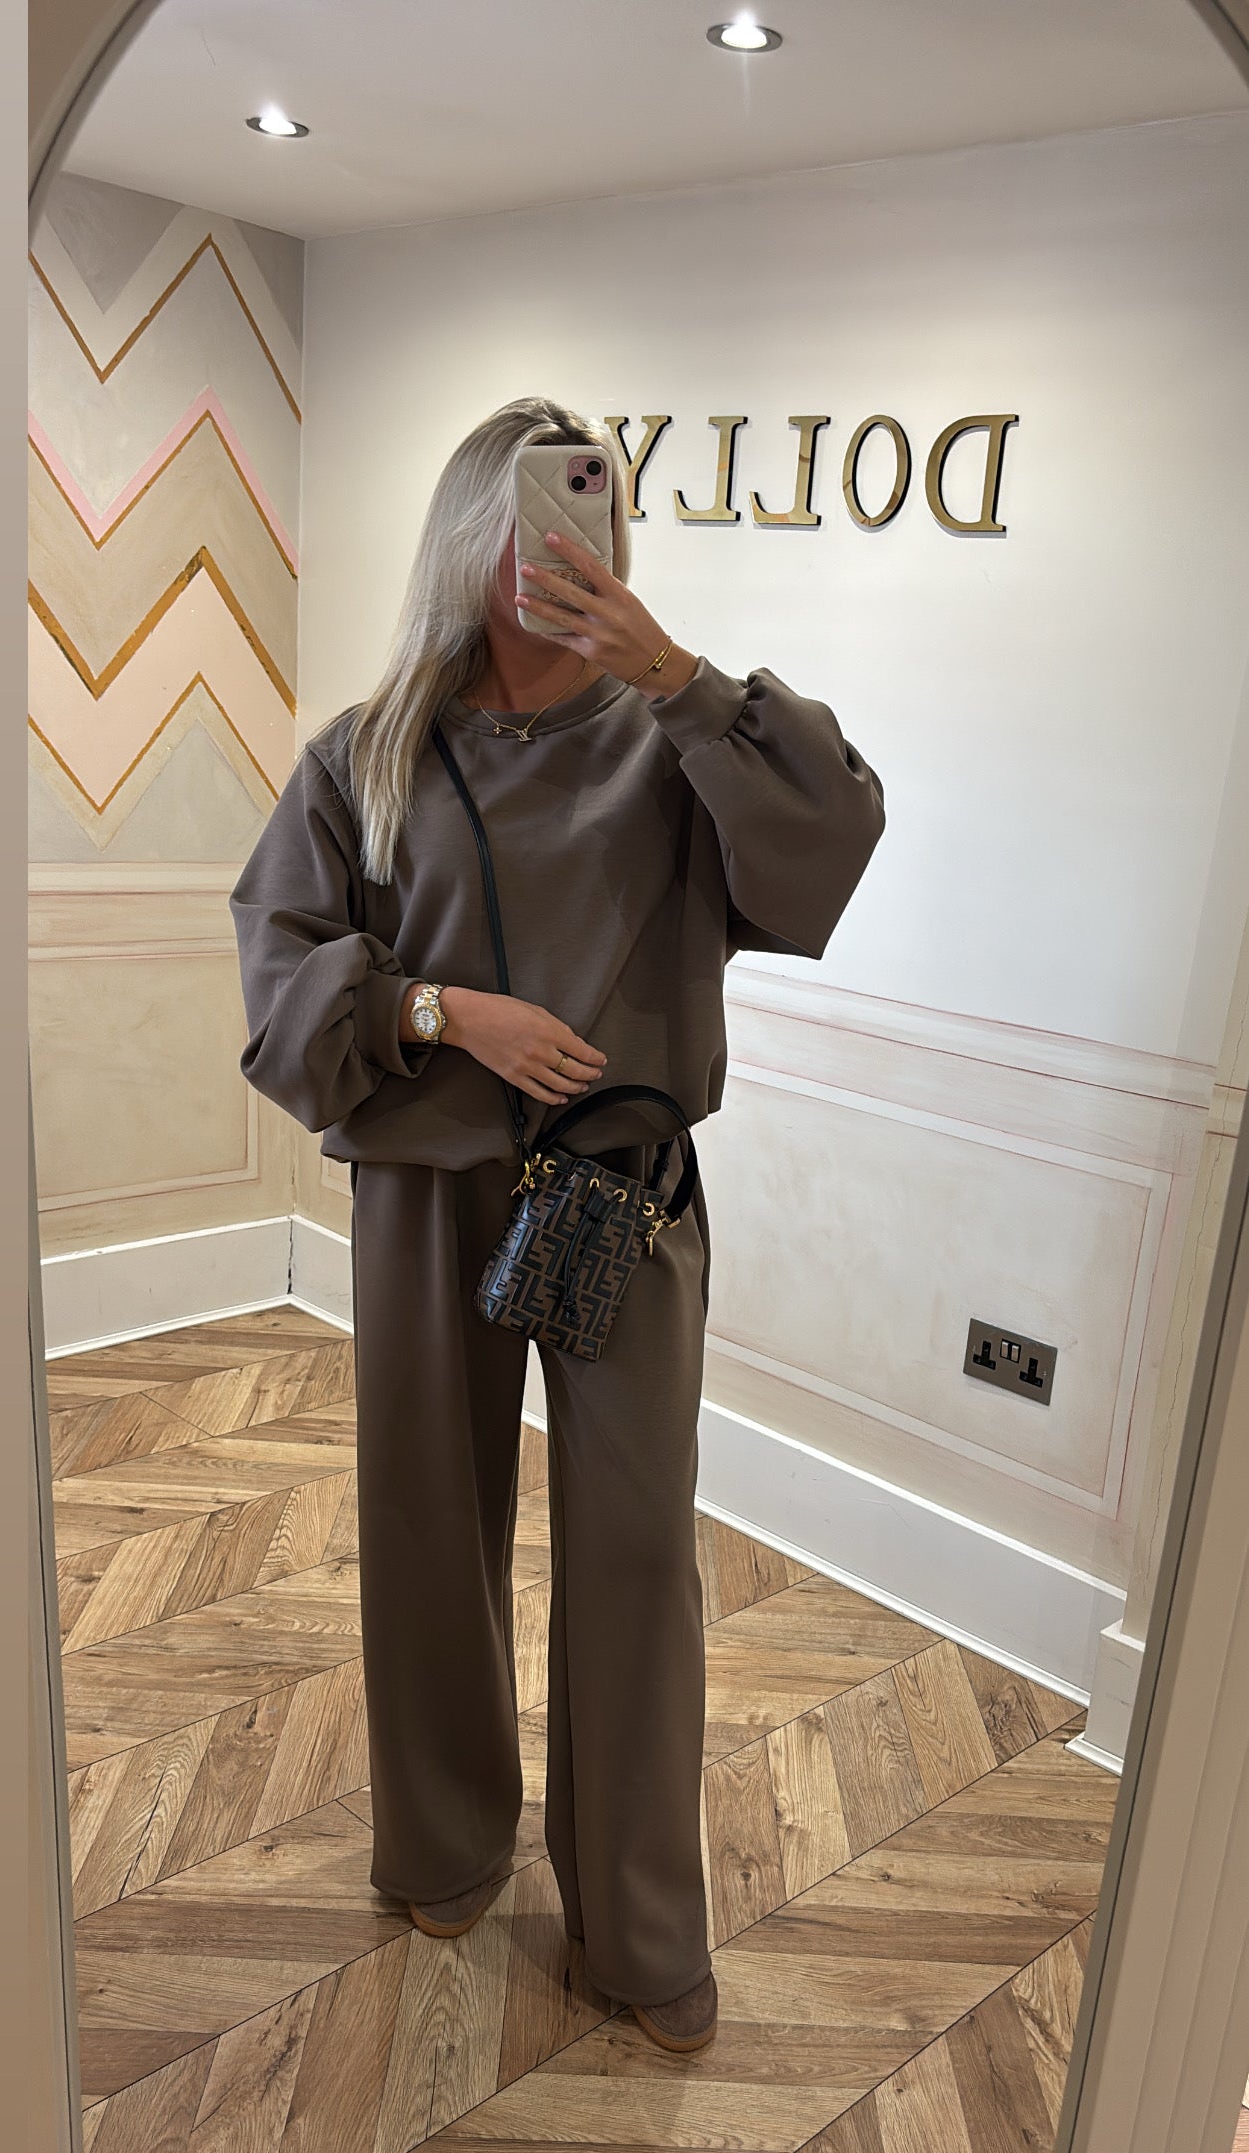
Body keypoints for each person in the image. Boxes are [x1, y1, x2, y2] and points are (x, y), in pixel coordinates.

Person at [228, 395, 885, 2055]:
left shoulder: (675, 741)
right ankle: (444, 1839)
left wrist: (683, 678)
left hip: (620, 1189)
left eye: (581, 513)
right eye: (520, 518)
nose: (548, 550)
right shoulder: (369, 751)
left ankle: (638, 1925)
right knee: (425, 1522)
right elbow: (278, 971)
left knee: (636, 1552)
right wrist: (446, 1011)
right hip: (427, 1184)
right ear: (469, 534)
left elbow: (829, 844)